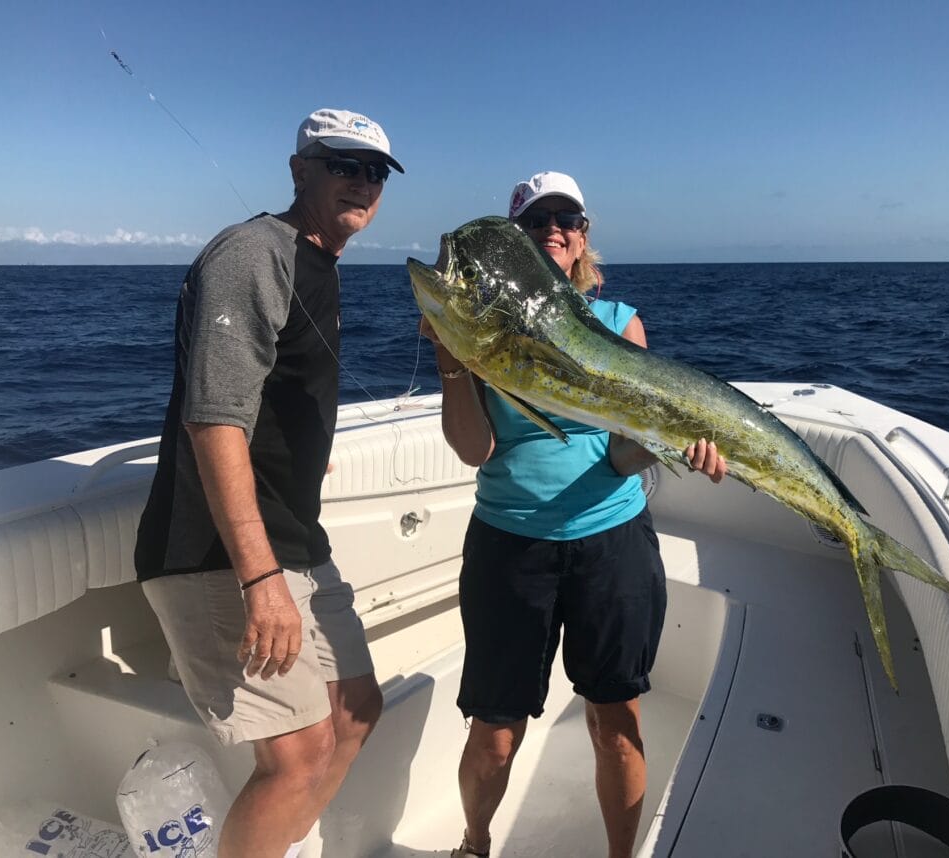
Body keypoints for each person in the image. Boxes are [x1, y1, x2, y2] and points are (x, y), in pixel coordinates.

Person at [421, 171, 727, 858]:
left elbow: (624, 451)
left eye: (567, 220)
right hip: (509, 546)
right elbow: (474, 449)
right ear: (516, 241)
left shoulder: (620, 322)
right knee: (494, 731)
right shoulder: (484, 324)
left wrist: (680, 442)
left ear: (583, 238)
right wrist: (449, 353)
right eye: (536, 221)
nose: (553, 230)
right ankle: (474, 845)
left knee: (615, 723)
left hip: (611, 545)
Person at [134, 108, 404, 858]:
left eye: (375, 172)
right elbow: (213, 418)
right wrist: (260, 578)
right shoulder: (254, 252)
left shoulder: (320, 265)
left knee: (354, 711)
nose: (362, 182)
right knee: (297, 757)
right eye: (343, 165)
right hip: (218, 551)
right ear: (299, 170)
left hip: (296, 540)